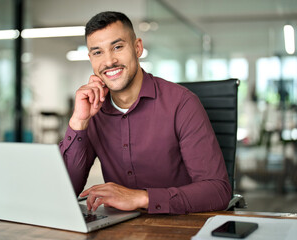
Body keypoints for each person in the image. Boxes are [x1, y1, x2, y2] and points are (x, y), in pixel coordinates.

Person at [59, 11, 231, 214]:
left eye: (117, 47)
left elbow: (217, 191)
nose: (109, 61)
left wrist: (141, 198)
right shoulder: (94, 110)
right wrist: (79, 121)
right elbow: (64, 191)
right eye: (98, 52)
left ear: (137, 47)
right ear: (90, 58)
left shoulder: (182, 103)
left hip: (180, 226)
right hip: (121, 229)